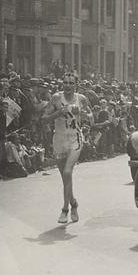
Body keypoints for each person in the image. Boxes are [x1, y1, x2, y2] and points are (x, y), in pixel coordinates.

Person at [41, 72, 86, 224]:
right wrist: (58, 113)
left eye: (70, 83)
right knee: (65, 178)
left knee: (68, 171)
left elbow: (91, 117)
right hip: (59, 138)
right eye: (65, 82)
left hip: (75, 137)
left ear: (75, 85)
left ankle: (65, 209)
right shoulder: (55, 98)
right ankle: (74, 203)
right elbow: (43, 119)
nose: (67, 85)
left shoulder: (81, 99)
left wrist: (81, 112)